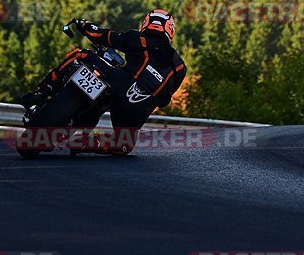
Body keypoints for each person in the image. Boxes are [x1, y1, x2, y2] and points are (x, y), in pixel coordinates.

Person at [19, 10, 187, 155]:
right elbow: (164, 101)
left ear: (147, 24)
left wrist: (84, 25)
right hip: (137, 110)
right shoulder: (180, 67)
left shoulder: (139, 39)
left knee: (81, 55)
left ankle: (40, 92)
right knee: (124, 144)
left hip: (120, 84)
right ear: (170, 30)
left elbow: (101, 35)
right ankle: (84, 143)